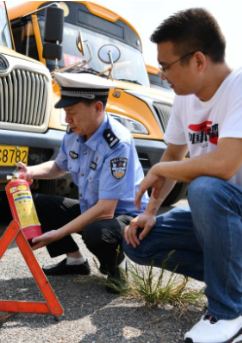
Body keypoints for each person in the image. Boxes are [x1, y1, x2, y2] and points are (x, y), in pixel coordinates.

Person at [123, 8, 242, 343]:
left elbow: (223, 166)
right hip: (222, 218)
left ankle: (228, 314)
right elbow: (173, 155)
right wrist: (148, 213)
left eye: (166, 66)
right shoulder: (183, 99)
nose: (162, 74)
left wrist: (162, 169)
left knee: (205, 188)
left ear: (198, 60)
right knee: (137, 241)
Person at [17, 72, 148, 293]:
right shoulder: (76, 132)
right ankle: (75, 261)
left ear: (97, 108)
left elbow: (106, 210)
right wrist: (29, 172)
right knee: (36, 203)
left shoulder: (117, 143)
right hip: (93, 207)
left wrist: (57, 233)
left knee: (97, 232)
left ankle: (117, 268)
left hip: (122, 216)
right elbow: (59, 166)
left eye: (72, 112)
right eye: (66, 112)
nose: (67, 119)